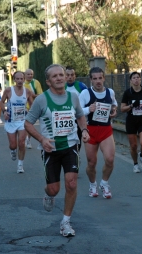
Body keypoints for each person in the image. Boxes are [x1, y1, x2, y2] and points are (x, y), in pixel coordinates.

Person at [24, 64, 89, 237]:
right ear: (48, 81)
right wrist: (42, 139)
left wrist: (84, 130)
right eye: (55, 76)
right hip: (50, 149)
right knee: (54, 189)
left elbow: (80, 116)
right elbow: (28, 123)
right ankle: (48, 195)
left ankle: (65, 222)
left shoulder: (73, 97)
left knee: (72, 183)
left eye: (61, 75)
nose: (60, 78)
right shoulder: (41, 100)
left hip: (70, 146)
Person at [79, 67, 118, 199]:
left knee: (110, 159)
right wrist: (89, 109)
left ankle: (104, 183)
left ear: (104, 78)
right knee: (91, 162)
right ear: (91, 80)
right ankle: (92, 184)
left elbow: (114, 105)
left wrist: (113, 111)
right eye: (95, 78)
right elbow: (77, 112)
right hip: (91, 129)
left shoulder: (110, 92)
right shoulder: (85, 94)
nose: (98, 81)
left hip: (106, 129)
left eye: (100, 78)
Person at [0, 71, 34, 173]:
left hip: (22, 121)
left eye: (21, 79)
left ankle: (20, 165)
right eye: (17, 79)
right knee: (13, 145)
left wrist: (30, 114)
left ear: (24, 80)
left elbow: (32, 104)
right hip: (11, 121)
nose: (19, 81)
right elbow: (1, 102)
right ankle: (13, 150)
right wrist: (4, 112)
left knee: (22, 143)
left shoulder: (27, 91)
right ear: (14, 80)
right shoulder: (8, 90)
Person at [120, 72, 142, 173]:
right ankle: (135, 164)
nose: (136, 79)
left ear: (140, 79)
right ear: (130, 81)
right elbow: (122, 108)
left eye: (138, 77)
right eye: (134, 78)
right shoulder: (127, 93)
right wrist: (131, 106)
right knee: (133, 146)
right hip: (131, 121)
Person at [65, 66, 88, 150]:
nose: (70, 77)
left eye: (72, 75)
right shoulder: (61, 87)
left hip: (77, 118)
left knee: (77, 139)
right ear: (65, 76)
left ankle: (76, 156)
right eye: (68, 75)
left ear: (75, 76)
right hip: (64, 118)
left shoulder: (81, 86)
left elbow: (87, 99)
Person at [23, 68, 43, 149]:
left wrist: (32, 95)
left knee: (29, 124)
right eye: (28, 74)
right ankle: (23, 139)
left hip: (33, 107)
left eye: (31, 74)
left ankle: (28, 140)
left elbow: (40, 94)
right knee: (23, 125)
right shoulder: (22, 83)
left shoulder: (36, 82)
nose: (30, 76)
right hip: (23, 107)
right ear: (25, 75)